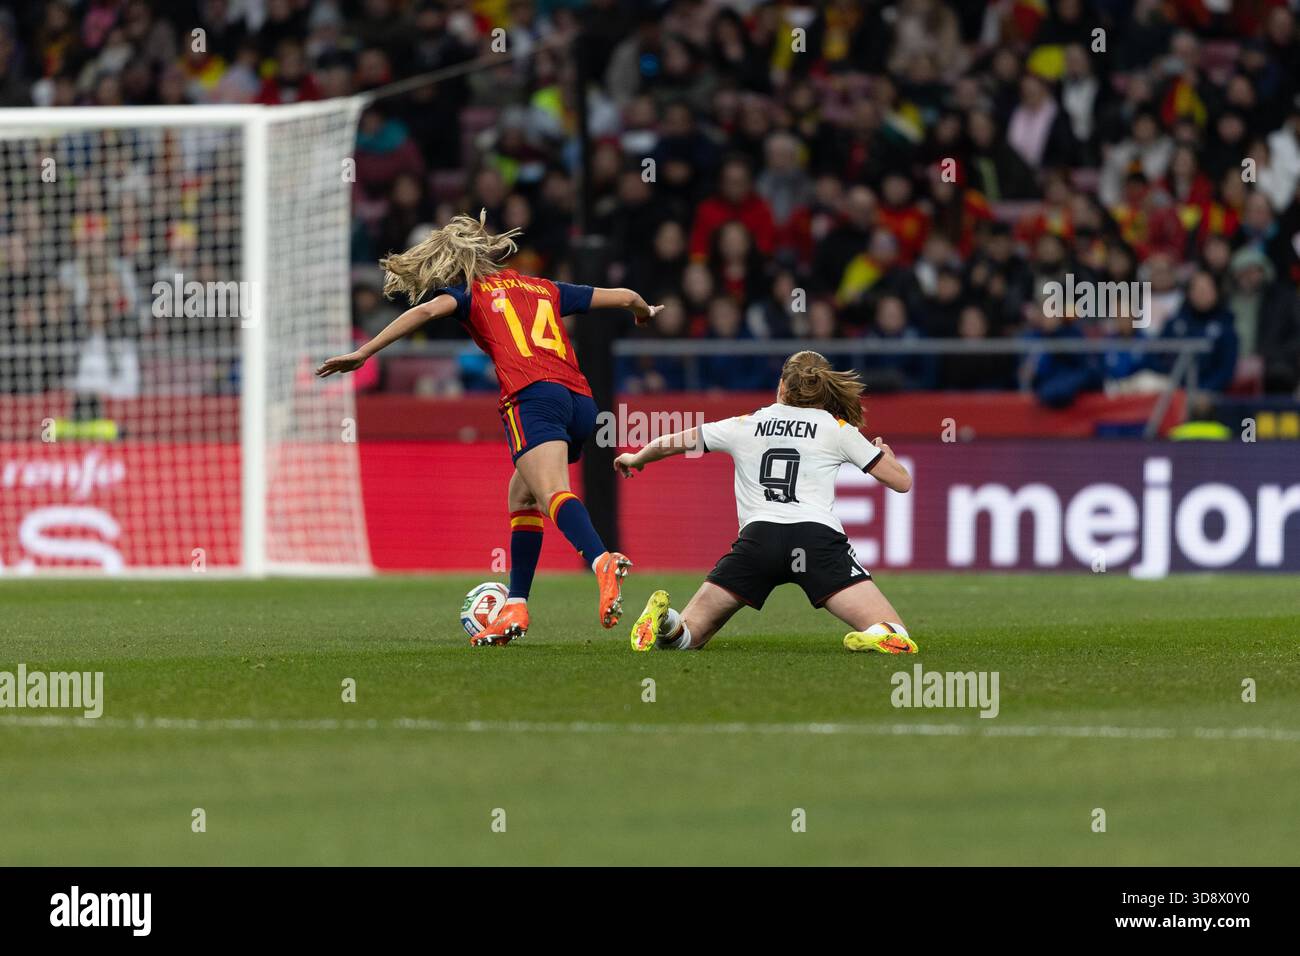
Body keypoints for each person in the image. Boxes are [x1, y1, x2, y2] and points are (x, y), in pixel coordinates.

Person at [317, 211, 664, 645]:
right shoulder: (543, 287)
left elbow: (426, 310)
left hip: (532, 397)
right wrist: (643, 311)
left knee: (551, 492)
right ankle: (516, 605)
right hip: (581, 402)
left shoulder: (470, 292)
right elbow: (625, 296)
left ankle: (600, 559)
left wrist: (363, 352)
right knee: (521, 493)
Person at [612, 351, 916, 654]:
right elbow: (902, 482)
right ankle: (876, 634)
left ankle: (665, 619)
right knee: (894, 630)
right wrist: (886, 456)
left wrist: (637, 458)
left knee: (686, 637)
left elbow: (674, 442)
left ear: (782, 385)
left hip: (759, 543)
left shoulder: (745, 424)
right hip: (816, 541)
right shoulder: (836, 429)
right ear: (824, 389)